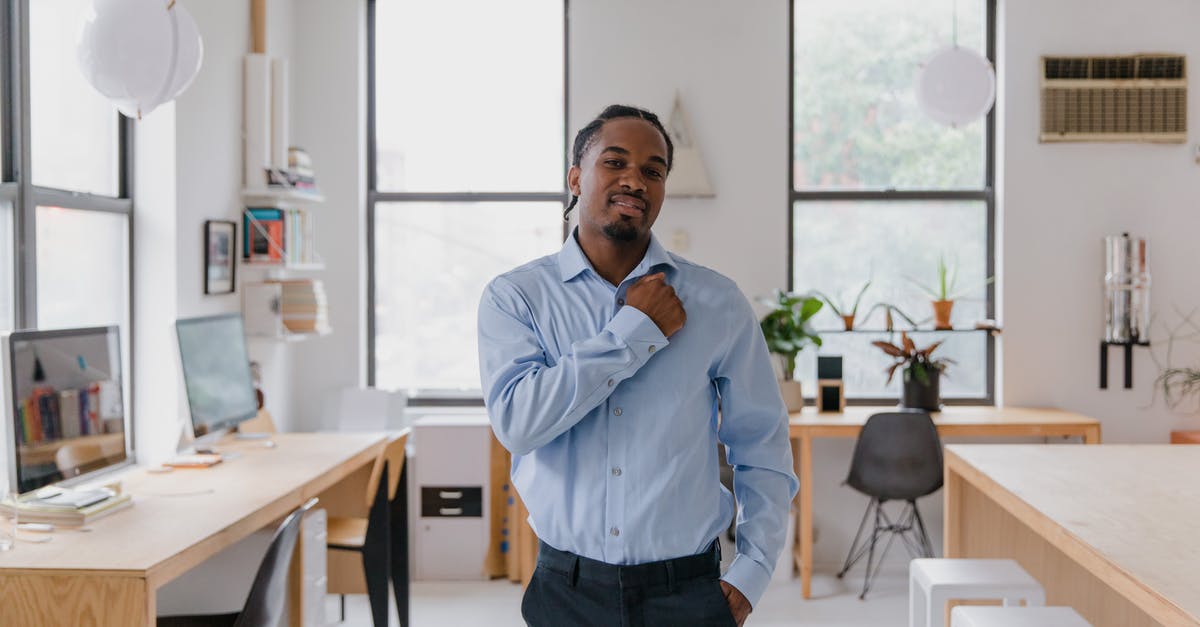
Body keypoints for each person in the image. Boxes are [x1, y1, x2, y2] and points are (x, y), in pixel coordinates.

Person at [478, 104, 798, 626]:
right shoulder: (516, 298)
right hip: (566, 592)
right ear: (576, 177)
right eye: (615, 162)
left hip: (689, 594)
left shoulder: (718, 302)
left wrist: (752, 570)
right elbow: (518, 424)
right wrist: (634, 331)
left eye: (653, 170)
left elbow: (762, 443)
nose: (635, 179)